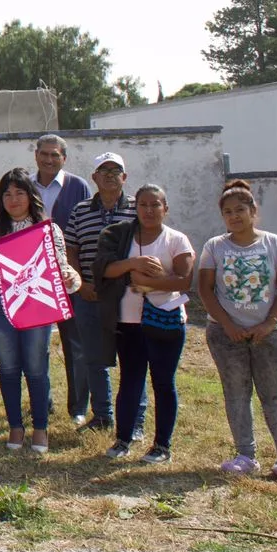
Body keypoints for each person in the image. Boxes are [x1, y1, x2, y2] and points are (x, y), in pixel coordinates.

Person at [0, 168, 82, 453]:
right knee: (9, 369)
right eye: (7, 194)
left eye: (19, 193)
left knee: (36, 368)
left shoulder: (48, 229)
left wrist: (69, 277)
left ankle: (41, 428)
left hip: (35, 304)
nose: (13, 199)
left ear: (31, 196)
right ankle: (15, 425)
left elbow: (61, 265)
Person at [197, 180, 277, 481]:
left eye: (240, 210)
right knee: (236, 394)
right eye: (227, 212)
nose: (234, 216)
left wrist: (269, 324)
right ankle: (246, 455)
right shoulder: (214, 247)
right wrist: (227, 324)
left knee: (274, 395)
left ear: (253, 211)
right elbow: (205, 289)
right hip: (226, 335)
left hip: (268, 334)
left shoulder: (275, 243)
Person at [94, 184, 195, 464]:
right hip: (129, 321)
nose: (149, 211)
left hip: (165, 320)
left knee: (163, 382)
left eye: (155, 205)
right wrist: (134, 263)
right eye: (143, 205)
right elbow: (105, 269)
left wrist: (147, 283)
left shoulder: (176, 240)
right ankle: (123, 439)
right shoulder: (121, 236)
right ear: (134, 208)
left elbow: (184, 281)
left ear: (166, 208)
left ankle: (162, 445)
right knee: (130, 381)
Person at [64, 152, 140, 437]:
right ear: (94, 177)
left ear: (125, 176)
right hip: (90, 295)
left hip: (128, 296)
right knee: (94, 357)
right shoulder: (80, 210)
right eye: (103, 170)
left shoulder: (137, 208)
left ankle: (135, 419)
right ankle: (103, 415)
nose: (109, 175)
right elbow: (71, 249)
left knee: (132, 359)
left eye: (115, 170)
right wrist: (81, 283)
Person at [30, 133, 93, 427]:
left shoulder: (78, 186)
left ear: (64, 158)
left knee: (76, 343)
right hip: (34, 278)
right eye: (44, 153)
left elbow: (85, 228)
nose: (49, 159)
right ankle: (42, 401)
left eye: (55, 155)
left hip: (69, 276)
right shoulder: (24, 187)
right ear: (36, 156)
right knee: (36, 345)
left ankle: (78, 406)